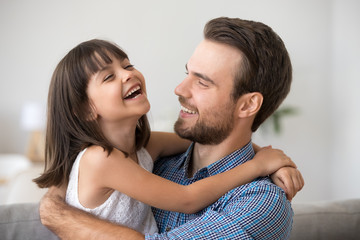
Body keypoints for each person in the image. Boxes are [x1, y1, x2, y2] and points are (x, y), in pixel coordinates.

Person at [39, 17, 304, 239]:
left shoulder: (261, 203)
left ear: (247, 106)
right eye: (187, 72)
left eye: (202, 82)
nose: (178, 89)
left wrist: (268, 160)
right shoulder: (161, 163)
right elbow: (185, 197)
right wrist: (262, 161)